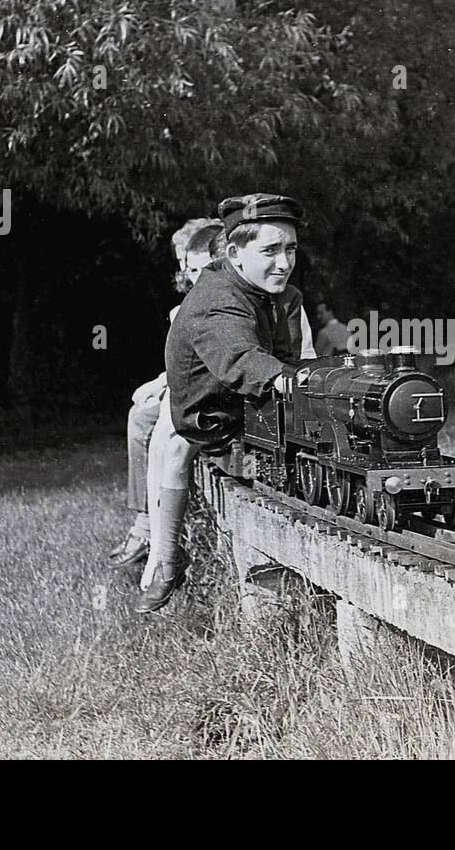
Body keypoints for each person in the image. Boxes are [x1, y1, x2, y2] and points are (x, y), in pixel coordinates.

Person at [136, 193, 306, 612]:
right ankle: (166, 559)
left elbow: (286, 356)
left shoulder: (272, 292)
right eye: (270, 250)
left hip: (254, 411)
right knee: (168, 444)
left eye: (291, 249)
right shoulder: (217, 300)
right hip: (216, 423)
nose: (284, 262)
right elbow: (241, 359)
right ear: (234, 253)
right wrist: (288, 382)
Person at [106, 220, 217, 568]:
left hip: (211, 400)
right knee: (144, 411)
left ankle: (149, 532)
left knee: (147, 422)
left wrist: (164, 387)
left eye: (193, 265)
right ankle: (150, 531)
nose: (186, 274)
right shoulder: (189, 305)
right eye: (183, 265)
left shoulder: (214, 302)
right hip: (195, 389)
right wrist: (159, 383)